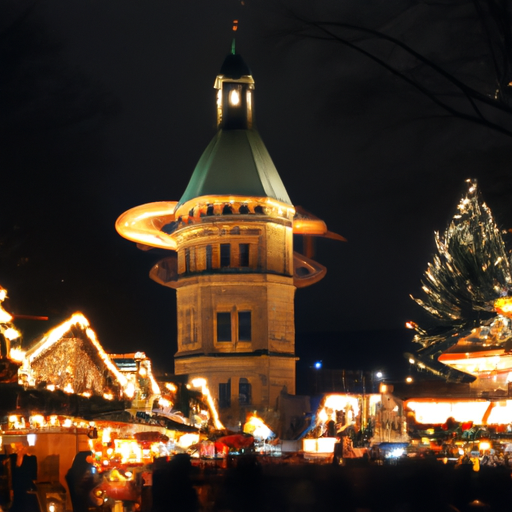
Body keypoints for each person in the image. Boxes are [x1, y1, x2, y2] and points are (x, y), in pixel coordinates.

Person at [9, 443, 38, 512]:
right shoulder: (12, 457)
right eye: (18, 447)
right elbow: (11, 474)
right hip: (16, 488)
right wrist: (11, 489)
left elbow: (34, 476)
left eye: (21, 446)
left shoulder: (32, 458)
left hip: (27, 488)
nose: (19, 448)